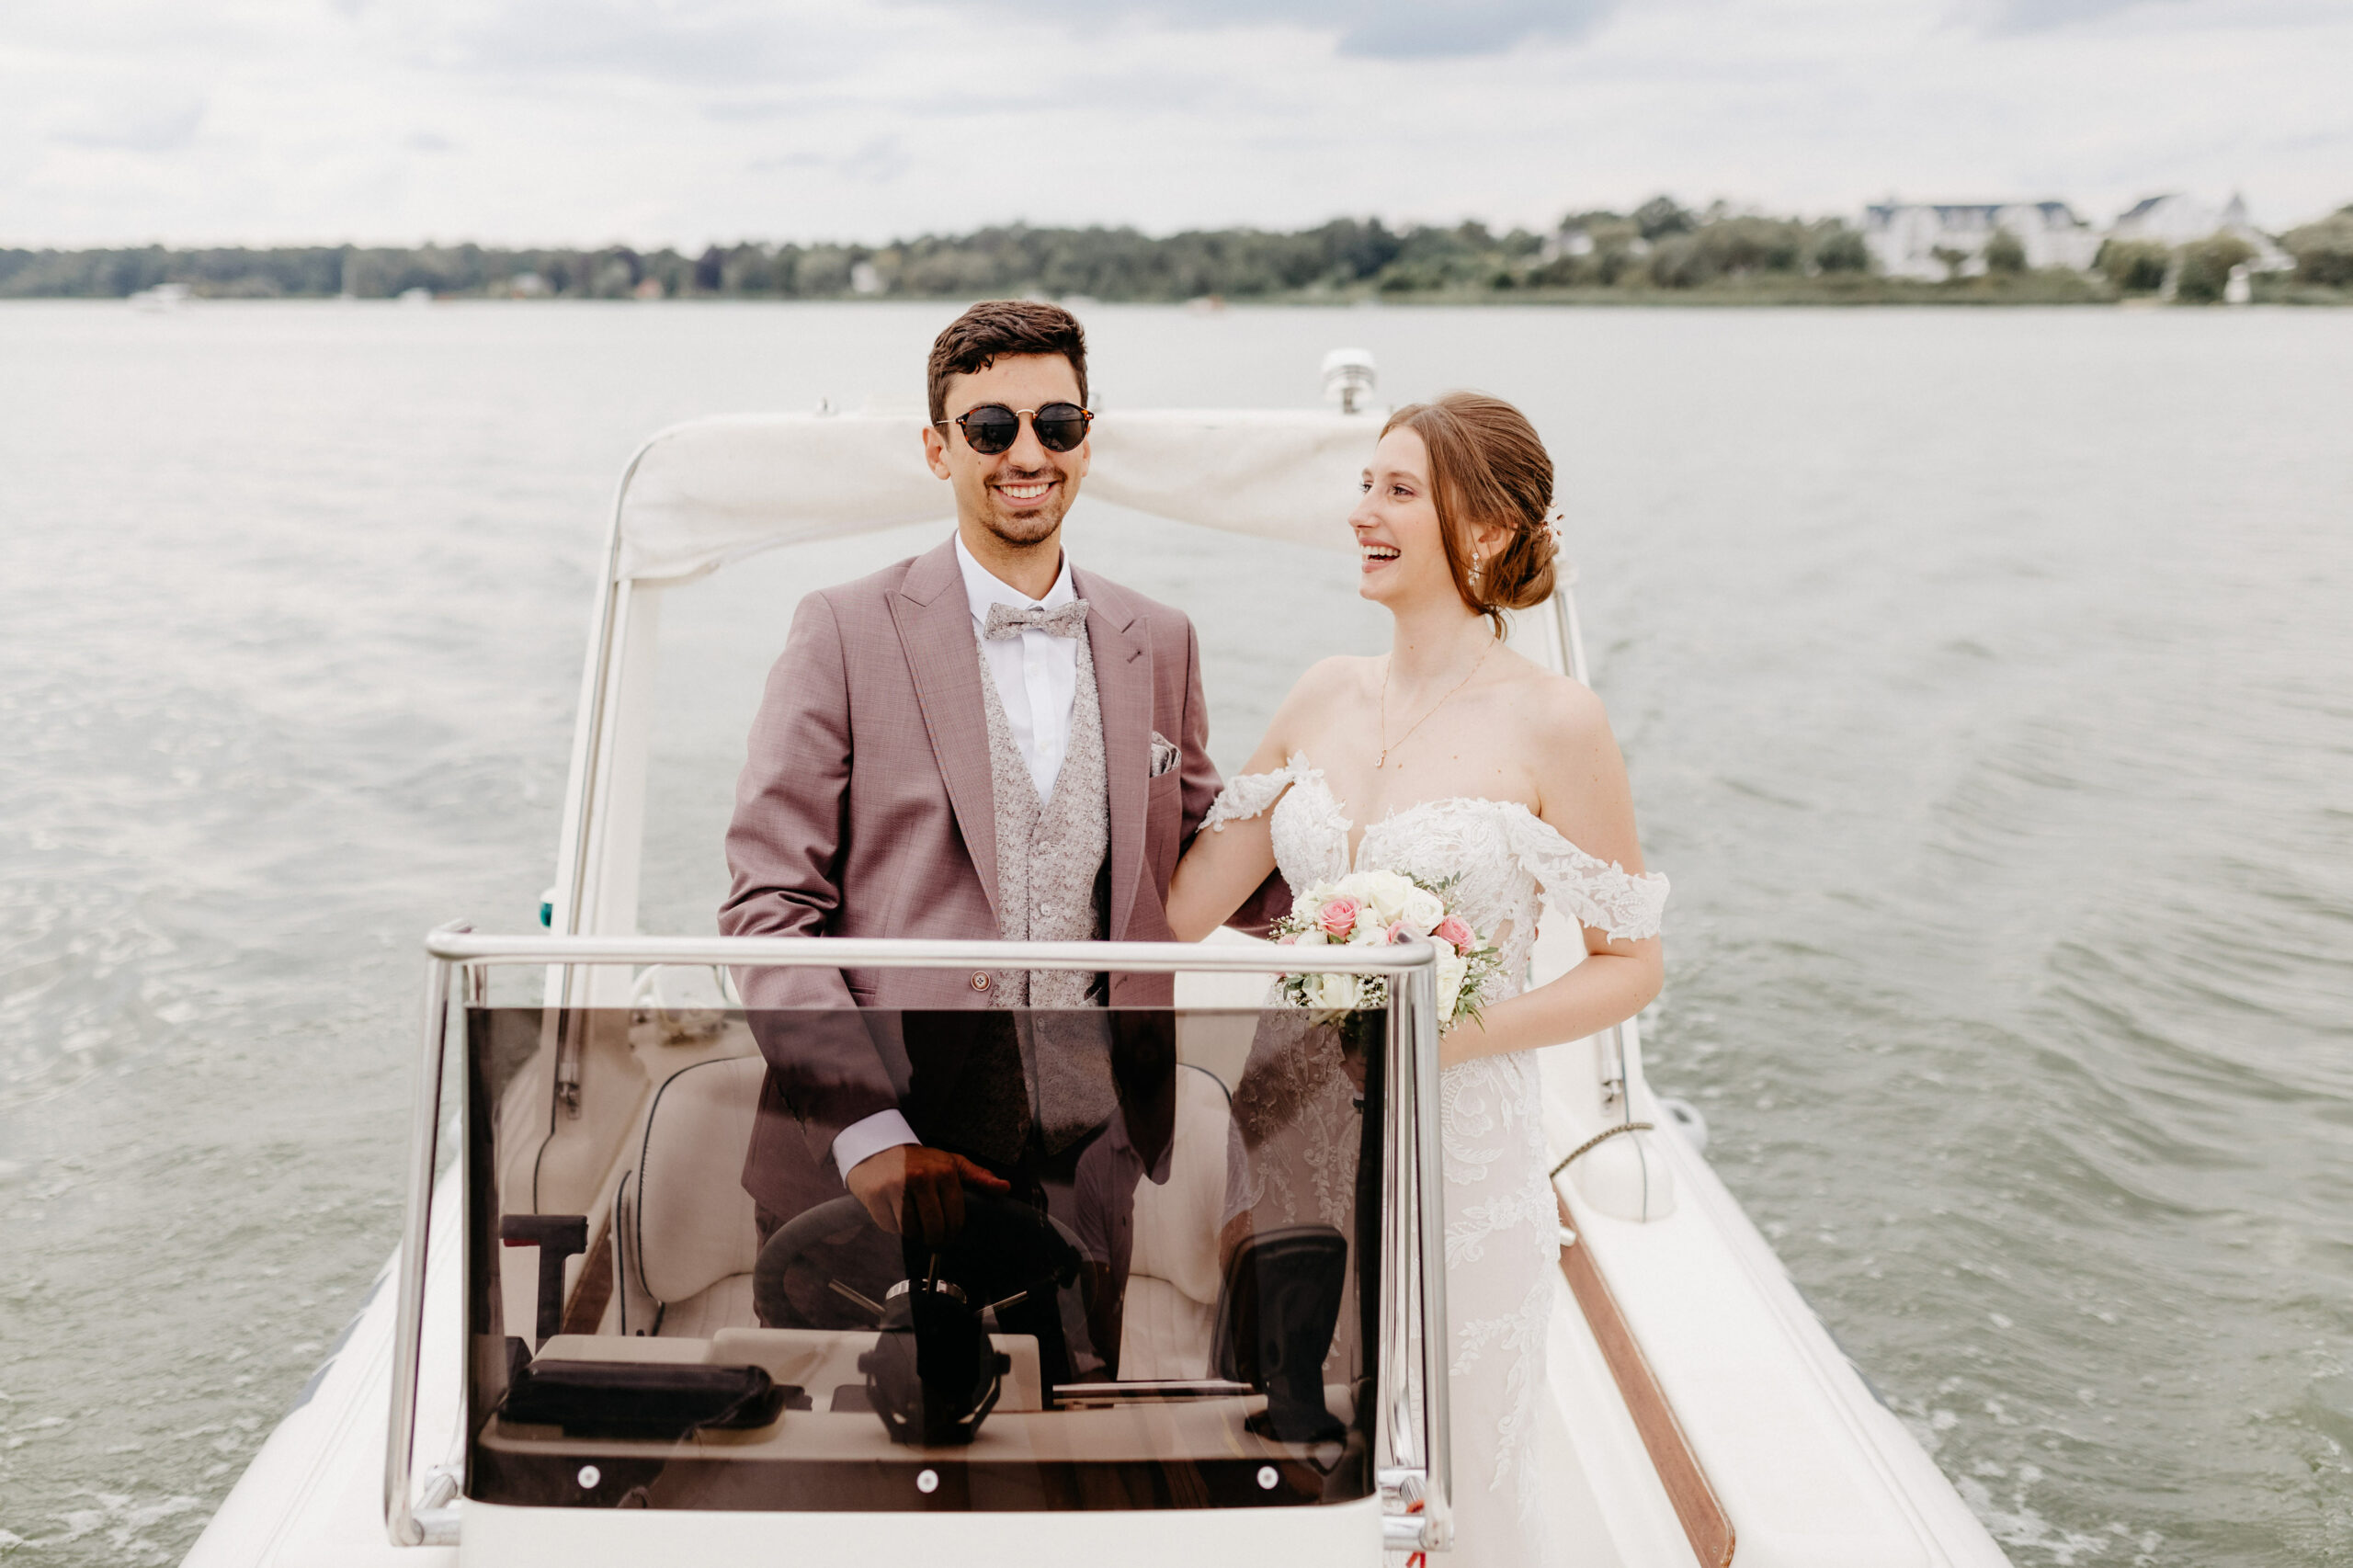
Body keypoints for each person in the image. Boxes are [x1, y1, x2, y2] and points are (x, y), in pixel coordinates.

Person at [718, 301, 1286, 1370]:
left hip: (1086, 1157)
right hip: (873, 1166)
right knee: (847, 1481)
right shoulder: (839, 627)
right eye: (990, 428)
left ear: (1085, 438)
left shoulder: (1157, 637)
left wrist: (1372, 894)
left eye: (1056, 424)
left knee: (1063, 1467)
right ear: (938, 449)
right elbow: (767, 910)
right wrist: (869, 1135)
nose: (1027, 453)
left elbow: (1203, 847)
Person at [1165, 392, 1669, 1567]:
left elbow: (1628, 965)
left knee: (1451, 1478)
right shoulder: (1321, 692)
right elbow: (1187, 904)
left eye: (1397, 491)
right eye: (1363, 487)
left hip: (1460, 1153)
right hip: (1294, 1135)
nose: (1362, 515)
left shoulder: (1557, 723)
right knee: (1299, 1453)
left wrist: (1448, 1030)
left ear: (1487, 530)